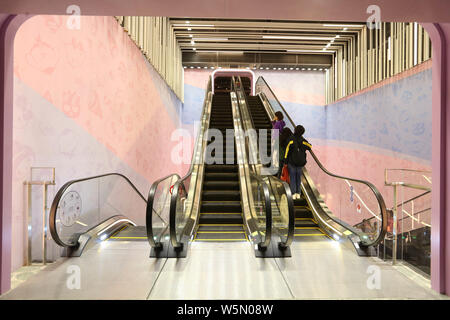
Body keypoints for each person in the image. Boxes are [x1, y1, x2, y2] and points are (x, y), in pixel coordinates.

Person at [283, 125, 312, 199]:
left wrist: (285, 162)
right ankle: (298, 193)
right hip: (300, 163)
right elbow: (310, 146)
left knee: (292, 177)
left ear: (295, 130)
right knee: (298, 178)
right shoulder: (303, 141)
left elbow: (287, 151)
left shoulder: (291, 140)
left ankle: (293, 193)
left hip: (292, 162)